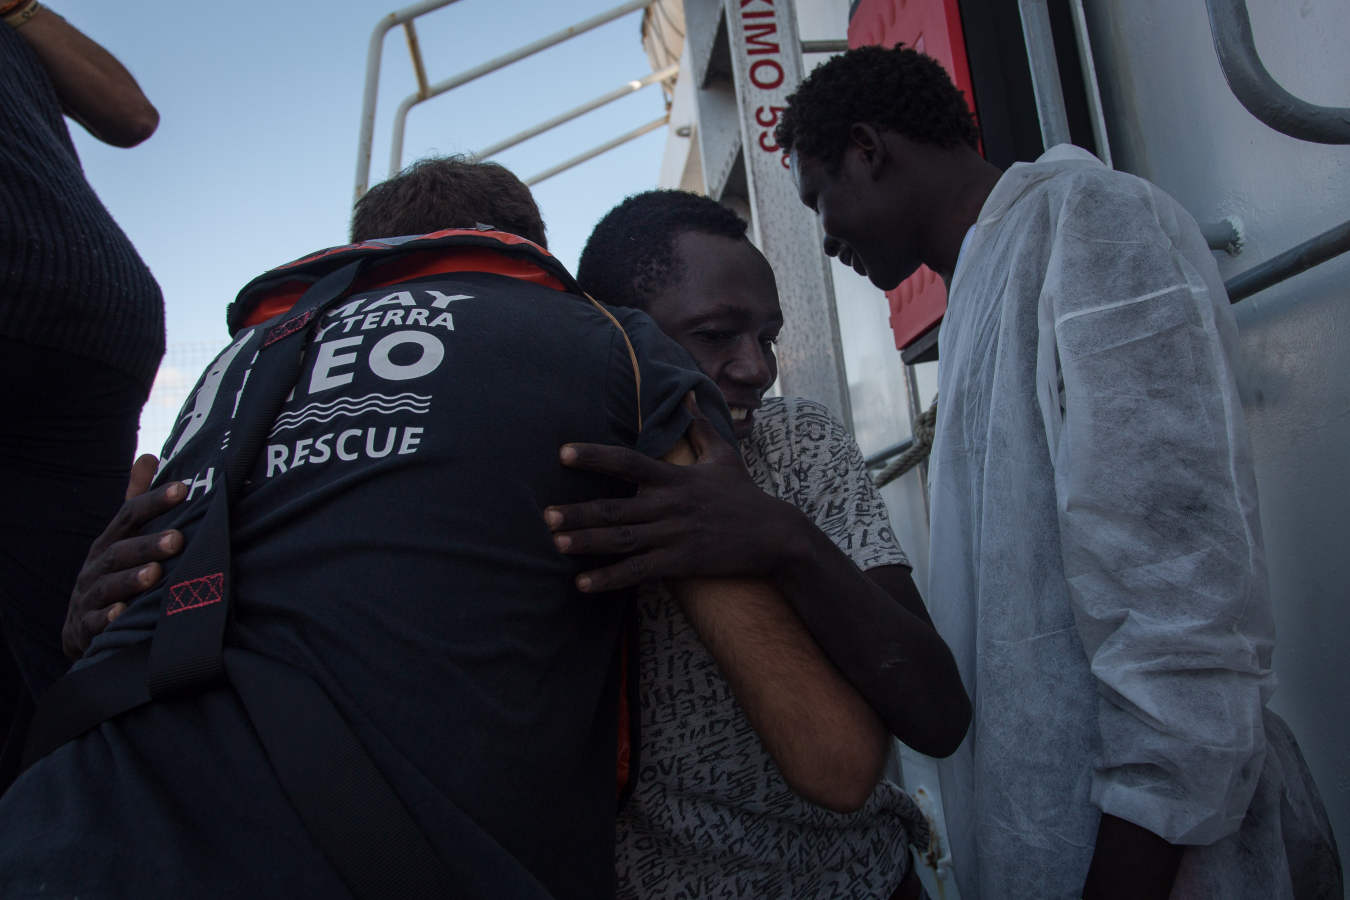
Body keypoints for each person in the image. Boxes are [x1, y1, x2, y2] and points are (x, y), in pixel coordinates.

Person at [64, 188, 971, 898]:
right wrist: (110, 616)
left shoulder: (793, 444)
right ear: (608, 330)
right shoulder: (483, 485)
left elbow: (920, 724)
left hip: (854, 879)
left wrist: (780, 538)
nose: (756, 366)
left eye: (765, 336)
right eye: (713, 335)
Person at [0, 158, 732, 899]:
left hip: (56, 818)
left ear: (364, 253)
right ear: (522, 250)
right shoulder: (600, 336)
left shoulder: (236, 363)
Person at [775, 44, 1342, 900]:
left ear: (867, 147)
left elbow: (1183, 608)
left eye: (820, 196)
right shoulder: (984, 284)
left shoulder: (1091, 224)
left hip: (1165, 864)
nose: (824, 235)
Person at [0, 1, 163, 783]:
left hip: (59, 297)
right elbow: (132, 116)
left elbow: (133, 116)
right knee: (64, 648)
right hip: (96, 306)